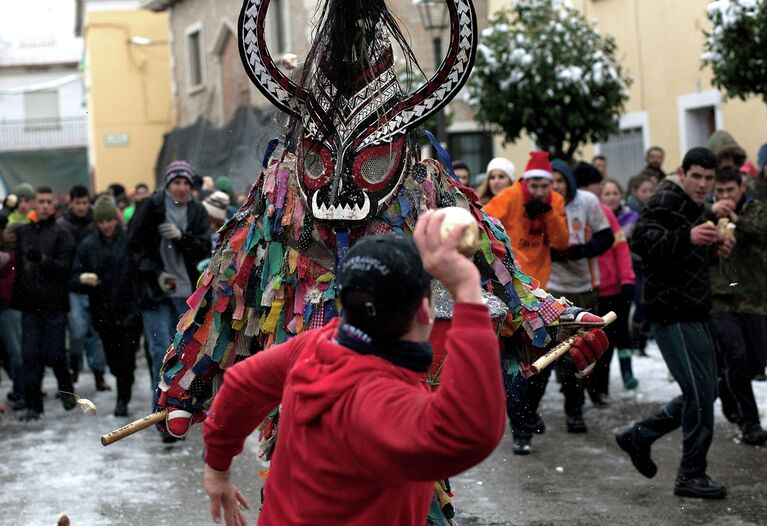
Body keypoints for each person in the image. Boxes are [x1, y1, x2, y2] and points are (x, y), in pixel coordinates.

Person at [203, 214, 506, 525]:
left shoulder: (314, 347)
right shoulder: (378, 401)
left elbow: (242, 383)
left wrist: (217, 467)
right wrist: (468, 291)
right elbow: (470, 430)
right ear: (426, 313)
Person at [616, 147, 733, 500]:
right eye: (696, 176)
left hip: (694, 310)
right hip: (672, 313)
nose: (702, 184)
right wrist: (690, 237)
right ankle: (691, 475)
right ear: (682, 173)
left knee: (705, 393)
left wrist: (712, 250)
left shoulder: (694, 205)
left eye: (709, 179)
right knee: (699, 396)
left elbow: (681, 256)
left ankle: (640, 436)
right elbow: (642, 241)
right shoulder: (667, 197)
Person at [128, 160, 210, 405]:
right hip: (155, 292)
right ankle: (159, 409)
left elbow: (205, 248)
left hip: (187, 293)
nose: (181, 188)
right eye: (176, 182)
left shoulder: (197, 211)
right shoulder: (150, 207)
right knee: (160, 350)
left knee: (184, 353)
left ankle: (178, 406)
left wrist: (182, 237)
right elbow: (133, 248)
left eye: (186, 183)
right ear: (167, 184)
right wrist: (156, 274)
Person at [548, 161, 614, 428]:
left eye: (559, 181)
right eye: (550, 181)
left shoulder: (587, 201)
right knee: (555, 350)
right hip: (552, 286)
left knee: (581, 349)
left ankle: (574, 407)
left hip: (585, 285)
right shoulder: (542, 203)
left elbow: (606, 237)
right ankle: (560, 406)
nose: (555, 187)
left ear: (569, 182)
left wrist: (579, 251)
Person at [708, 166, 767, 445]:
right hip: (720, 297)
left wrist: (736, 220)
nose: (725, 196)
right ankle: (750, 422)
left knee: (757, 360)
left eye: (730, 190)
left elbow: (761, 231)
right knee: (736, 355)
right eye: (719, 191)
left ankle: (728, 387)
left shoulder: (756, 210)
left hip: (754, 298)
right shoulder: (706, 215)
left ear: (741, 188)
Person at [72, 197, 142, 417]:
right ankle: (120, 382)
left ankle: (123, 399)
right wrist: (83, 279)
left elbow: (141, 270)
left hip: (129, 309)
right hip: (103, 312)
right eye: (101, 222)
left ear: (116, 220)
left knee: (127, 359)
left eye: (110, 220)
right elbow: (73, 276)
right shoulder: (88, 245)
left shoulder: (130, 241)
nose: (106, 226)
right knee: (113, 360)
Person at [12, 187, 77, 420]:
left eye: (48, 201)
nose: (44, 206)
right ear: (33, 204)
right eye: (40, 201)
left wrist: (43, 260)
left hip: (54, 303)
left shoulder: (62, 233)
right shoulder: (22, 232)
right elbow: (17, 266)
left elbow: (66, 268)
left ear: (54, 205)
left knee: (56, 353)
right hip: (29, 304)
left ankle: (67, 390)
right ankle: (33, 405)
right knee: (30, 356)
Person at [483, 152, 569, 289]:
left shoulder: (555, 200)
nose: (540, 192)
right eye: (534, 186)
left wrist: (549, 213)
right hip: (511, 275)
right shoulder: (510, 196)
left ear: (551, 184)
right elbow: (482, 222)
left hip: (541, 278)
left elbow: (561, 242)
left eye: (544, 187)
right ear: (526, 182)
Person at [58, 185, 109, 391]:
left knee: (95, 333)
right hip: (73, 285)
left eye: (84, 203)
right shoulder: (63, 225)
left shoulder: (94, 222)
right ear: (71, 202)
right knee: (77, 333)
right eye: (78, 203)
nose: (81, 207)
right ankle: (75, 367)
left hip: (95, 285)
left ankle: (99, 374)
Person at [599, 179, 640, 389]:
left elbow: (624, 253)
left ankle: (627, 372)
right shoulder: (596, 218)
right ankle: (601, 382)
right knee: (603, 338)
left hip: (620, 284)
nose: (612, 197)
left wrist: (628, 279)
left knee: (623, 332)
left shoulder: (630, 218)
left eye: (615, 193)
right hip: (600, 286)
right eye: (607, 193)